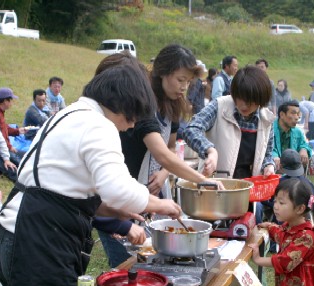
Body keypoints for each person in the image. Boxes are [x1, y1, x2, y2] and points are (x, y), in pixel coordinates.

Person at [0, 65, 182, 286]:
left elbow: (63, 188)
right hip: (36, 246)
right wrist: (163, 205)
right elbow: (118, 189)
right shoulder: (98, 125)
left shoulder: (70, 113)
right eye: (135, 115)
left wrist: (116, 211)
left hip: (11, 236)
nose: (133, 125)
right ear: (124, 102)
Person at [92, 48, 223, 268]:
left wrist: (163, 175)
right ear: (162, 73)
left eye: (188, 82)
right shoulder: (141, 103)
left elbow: (170, 149)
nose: (184, 87)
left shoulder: (171, 106)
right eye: (181, 79)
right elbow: (162, 154)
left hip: (149, 194)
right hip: (121, 193)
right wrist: (203, 180)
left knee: (150, 260)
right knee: (128, 265)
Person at [184, 65, 276, 286]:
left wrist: (268, 165)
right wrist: (209, 150)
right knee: (208, 254)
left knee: (238, 258)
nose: (245, 108)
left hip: (246, 196)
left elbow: (267, 152)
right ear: (234, 93)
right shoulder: (220, 105)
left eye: (251, 104)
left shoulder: (266, 118)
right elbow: (191, 129)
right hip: (215, 194)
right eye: (241, 101)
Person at [250, 178, 314, 286]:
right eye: (275, 201)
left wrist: (258, 259)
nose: (275, 206)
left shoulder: (306, 236)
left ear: (299, 208)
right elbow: (281, 234)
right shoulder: (290, 227)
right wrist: (270, 227)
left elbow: (285, 261)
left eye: (281, 203)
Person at [272, 100, 313, 171]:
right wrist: (274, 156)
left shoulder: (298, 132)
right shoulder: (269, 130)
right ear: (282, 115)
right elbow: (266, 148)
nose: (297, 117)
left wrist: (304, 149)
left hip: (291, 172)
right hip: (272, 170)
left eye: (298, 114)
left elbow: (304, 144)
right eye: (293, 113)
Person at [0, 87, 27, 166]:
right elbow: (0, 136)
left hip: (5, 148)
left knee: (27, 156)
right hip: (1, 150)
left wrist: (18, 131)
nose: (12, 102)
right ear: (5, 101)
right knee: (23, 164)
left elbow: (5, 128)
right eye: (11, 100)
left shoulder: (0, 112)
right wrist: (10, 147)